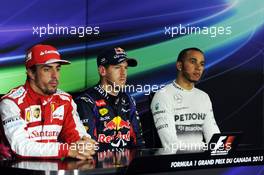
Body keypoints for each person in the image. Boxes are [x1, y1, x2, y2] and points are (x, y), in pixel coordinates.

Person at [0, 44, 97, 159]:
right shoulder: (11, 102)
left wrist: (84, 143)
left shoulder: (65, 100)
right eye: (47, 69)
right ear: (31, 73)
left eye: (58, 68)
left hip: (52, 169)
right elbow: (20, 147)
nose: (55, 75)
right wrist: (67, 150)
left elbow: (76, 136)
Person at [151, 47, 220, 153]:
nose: (198, 68)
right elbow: (170, 144)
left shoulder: (203, 97)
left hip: (200, 161)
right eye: (193, 62)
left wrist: (219, 153)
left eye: (202, 64)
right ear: (179, 65)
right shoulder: (163, 95)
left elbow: (214, 136)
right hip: (175, 163)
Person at [75, 47, 145, 151]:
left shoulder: (128, 100)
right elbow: (89, 147)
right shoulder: (86, 101)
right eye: (117, 67)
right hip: (100, 165)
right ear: (102, 71)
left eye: (125, 68)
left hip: (128, 165)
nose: (123, 74)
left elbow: (138, 143)